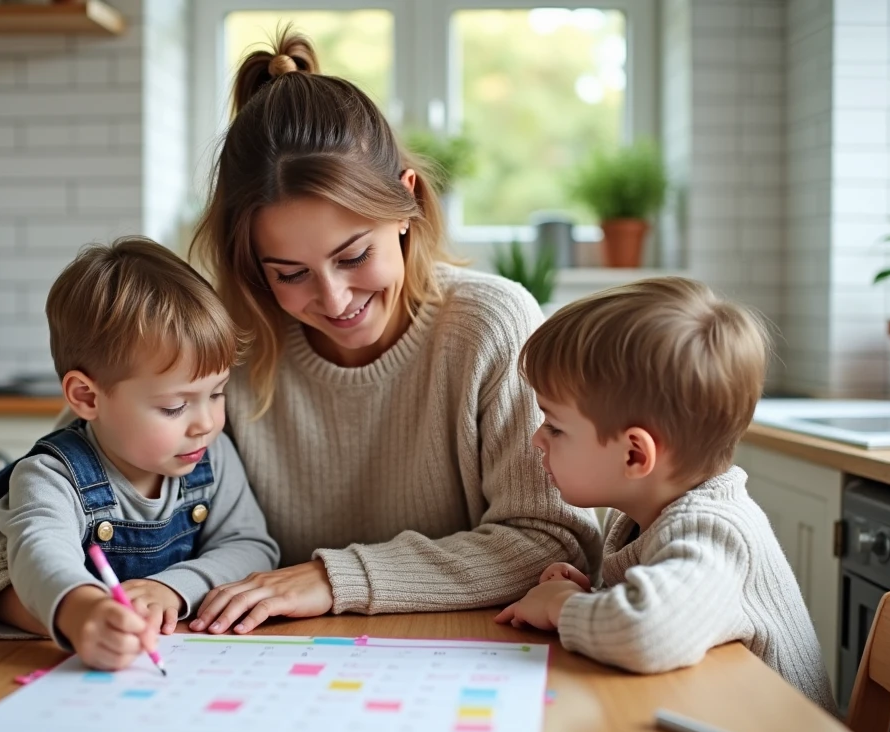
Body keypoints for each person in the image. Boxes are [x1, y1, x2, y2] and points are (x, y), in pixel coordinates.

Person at [183, 29, 599, 636]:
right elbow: (73, 477)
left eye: (353, 256)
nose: (334, 299)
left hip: (465, 656)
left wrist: (334, 579)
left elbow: (552, 542)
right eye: (290, 273)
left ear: (405, 205)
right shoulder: (224, 341)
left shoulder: (491, 324)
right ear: (252, 265)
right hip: (277, 663)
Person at [495, 277, 837, 712]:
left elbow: (647, 632)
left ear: (635, 454)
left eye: (556, 427)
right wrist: (595, 599)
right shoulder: (650, 516)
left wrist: (565, 606)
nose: (537, 440)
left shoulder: (714, 530)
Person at [0, 237, 279, 670]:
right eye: (175, 406)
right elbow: (39, 553)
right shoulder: (50, 476)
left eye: (217, 393)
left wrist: (174, 588)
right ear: (87, 397)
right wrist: (83, 610)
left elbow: (251, 546)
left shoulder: (211, 455)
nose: (206, 423)